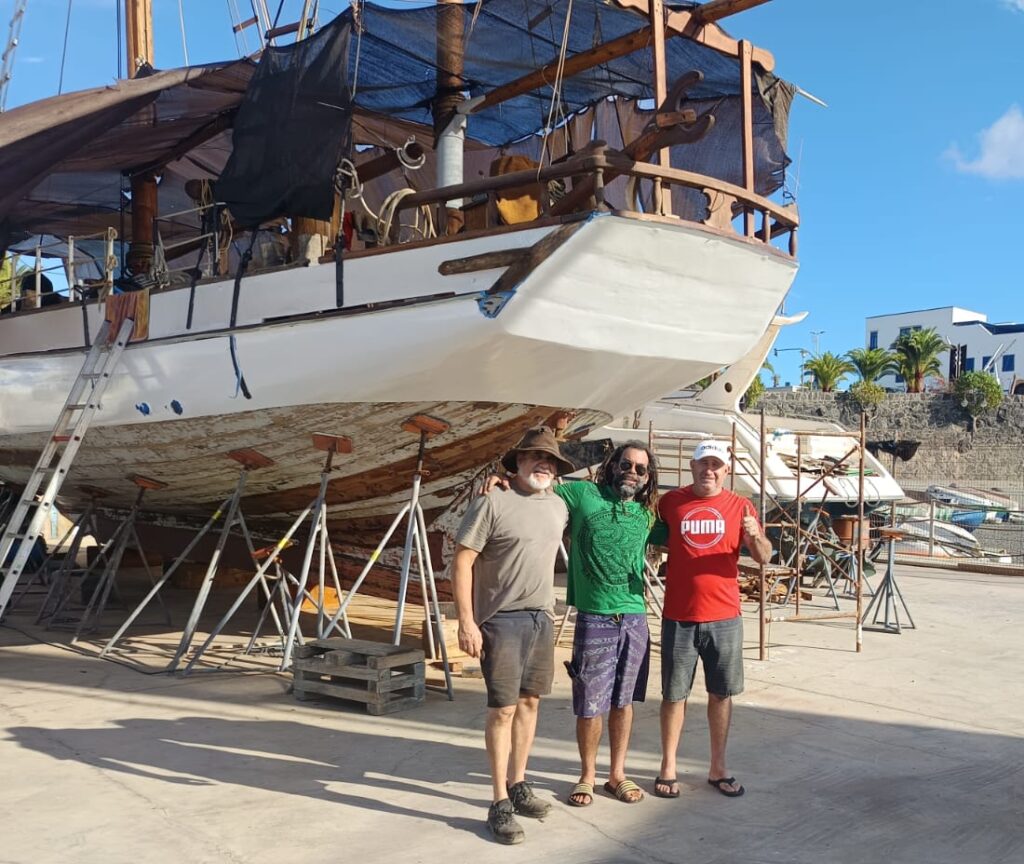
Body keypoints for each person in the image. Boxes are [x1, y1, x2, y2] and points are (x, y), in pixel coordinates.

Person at [452, 425, 573, 845]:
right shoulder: (492, 502)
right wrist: (466, 622)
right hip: (500, 621)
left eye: (550, 460)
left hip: (541, 617)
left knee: (530, 702)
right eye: (534, 456)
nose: (543, 464)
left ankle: (519, 783)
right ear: (516, 462)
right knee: (501, 709)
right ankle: (499, 800)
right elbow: (463, 562)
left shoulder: (558, 506)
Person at [654, 439, 773, 800]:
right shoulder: (670, 502)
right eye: (703, 464)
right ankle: (668, 767)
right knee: (674, 695)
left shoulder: (741, 506)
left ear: (726, 470)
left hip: (725, 617)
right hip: (679, 615)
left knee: (720, 694)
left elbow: (765, 556)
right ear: (692, 468)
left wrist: (755, 537)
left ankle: (718, 768)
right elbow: (644, 523)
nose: (709, 470)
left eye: (716, 465)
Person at [557, 442, 661, 807]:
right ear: (612, 465)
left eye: (641, 469)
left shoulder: (648, 515)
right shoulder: (582, 494)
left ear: (648, 479)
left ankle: (616, 774)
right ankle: (587, 775)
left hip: (634, 618)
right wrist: (502, 482)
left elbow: (687, 535)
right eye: (626, 464)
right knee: (589, 702)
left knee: (623, 700)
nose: (632, 472)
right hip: (594, 616)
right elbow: (539, 488)